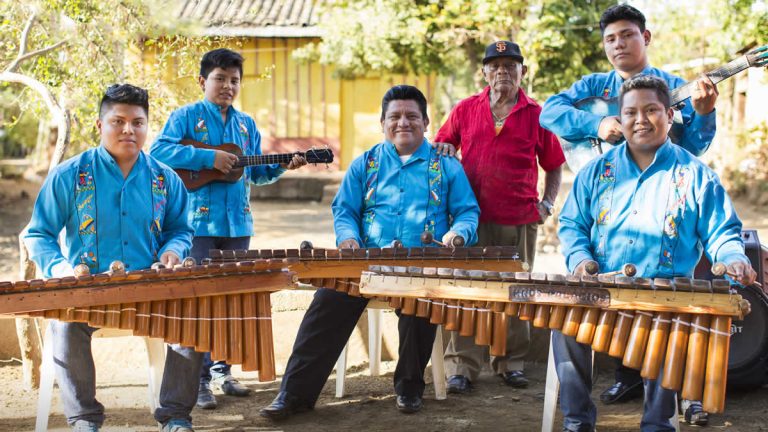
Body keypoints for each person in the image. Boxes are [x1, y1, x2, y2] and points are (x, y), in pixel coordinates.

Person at [539, 4, 719, 424]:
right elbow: (549, 111)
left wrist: (705, 114)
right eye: (610, 38)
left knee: (665, 300)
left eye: (627, 35)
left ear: (646, 38)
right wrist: (594, 125)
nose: (619, 44)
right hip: (603, 205)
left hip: (662, 200)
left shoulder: (677, 88)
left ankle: (667, 405)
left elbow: (693, 147)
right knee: (567, 312)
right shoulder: (593, 88)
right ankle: (581, 414)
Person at [259, 84, 480, 419]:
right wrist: (348, 238)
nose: (403, 122)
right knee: (326, 303)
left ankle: (409, 388)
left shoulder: (446, 165)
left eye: (411, 116)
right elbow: (344, 209)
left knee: (422, 305)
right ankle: (293, 395)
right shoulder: (366, 163)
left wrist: (457, 234)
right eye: (395, 116)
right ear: (383, 122)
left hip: (419, 266)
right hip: (365, 265)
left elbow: (467, 211)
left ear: (425, 122)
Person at [556, 74, 756, 432]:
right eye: (630, 112)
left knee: (671, 328)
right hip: (603, 289)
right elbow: (572, 225)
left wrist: (736, 258)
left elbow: (722, 233)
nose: (640, 119)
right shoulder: (595, 172)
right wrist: (582, 261)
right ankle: (577, 420)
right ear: (621, 116)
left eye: (651, 110)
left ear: (669, 115)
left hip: (665, 296)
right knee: (563, 326)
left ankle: (658, 424)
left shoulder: (696, 175)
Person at [23, 84, 198, 432]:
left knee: (189, 318)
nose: (128, 130)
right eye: (117, 121)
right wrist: (61, 270)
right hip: (86, 291)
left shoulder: (165, 179)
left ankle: (175, 416)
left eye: (137, 122)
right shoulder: (69, 176)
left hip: (147, 290)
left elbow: (181, 229)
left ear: (148, 126)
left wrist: (173, 249)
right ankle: (85, 418)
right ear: (100, 125)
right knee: (65, 324)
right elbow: (38, 234)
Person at [150, 48, 306, 410]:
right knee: (201, 298)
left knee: (232, 297)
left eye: (234, 80)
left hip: (238, 224)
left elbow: (256, 172)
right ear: (203, 81)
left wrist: (285, 165)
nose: (228, 86)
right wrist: (209, 158)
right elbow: (159, 152)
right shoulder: (185, 117)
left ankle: (223, 370)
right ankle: (198, 380)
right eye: (220, 79)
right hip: (196, 225)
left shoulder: (246, 125)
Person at [434, 40, 564, 393]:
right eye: (496, 65)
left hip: (519, 219)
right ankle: (462, 366)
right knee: (467, 292)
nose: (503, 71)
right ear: (485, 72)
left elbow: (554, 167)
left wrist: (547, 205)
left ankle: (511, 362)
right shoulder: (465, 109)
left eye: (511, 65)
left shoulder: (538, 114)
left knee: (515, 291)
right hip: (468, 222)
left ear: (523, 71)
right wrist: (445, 151)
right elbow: (441, 147)